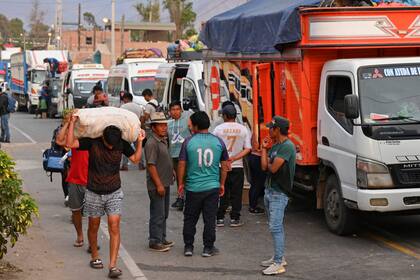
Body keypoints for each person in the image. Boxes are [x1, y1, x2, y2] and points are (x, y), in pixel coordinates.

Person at [66, 118, 145, 279]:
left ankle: (113, 265)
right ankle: (95, 256)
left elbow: (136, 159)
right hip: (94, 191)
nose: (111, 147)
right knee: (93, 226)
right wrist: (72, 123)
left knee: (114, 226)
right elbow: (69, 144)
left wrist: (139, 142)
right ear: (102, 138)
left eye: (113, 146)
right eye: (108, 144)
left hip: (114, 191)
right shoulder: (92, 142)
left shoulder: (121, 143)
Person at [178, 111, 228, 257]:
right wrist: (222, 183)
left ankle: (188, 247)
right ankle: (208, 248)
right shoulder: (218, 141)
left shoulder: (188, 142)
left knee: (190, 218)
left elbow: (182, 164)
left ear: (195, 125)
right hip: (212, 187)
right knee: (210, 219)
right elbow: (224, 165)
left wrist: (181, 183)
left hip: (193, 187)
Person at [260, 116, 296, 276]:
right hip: (270, 190)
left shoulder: (287, 147)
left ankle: (278, 262)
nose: (268, 130)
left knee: (275, 227)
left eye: (271, 128)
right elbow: (264, 166)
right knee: (275, 226)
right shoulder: (276, 147)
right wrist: (263, 149)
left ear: (277, 130)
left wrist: (268, 162)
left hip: (279, 192)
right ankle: (278, 256)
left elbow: (273, 168)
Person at [55, 114, 89, 248]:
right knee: (76, 211)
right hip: (75, 179)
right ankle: (80, 236)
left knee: (93, 214)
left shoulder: (93, 139)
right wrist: (69, 123)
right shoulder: (74, 139)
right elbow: (59, 140)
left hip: (92, 181)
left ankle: (93, 240)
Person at [214, 104, 251, 227]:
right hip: (237, 165)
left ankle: (219, 217)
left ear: (224, 115)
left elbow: (213, 146)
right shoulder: (243, 129)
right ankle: (235, 218)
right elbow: (247, 149)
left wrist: (223, 159)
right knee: (236, 193)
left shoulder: (218, 129)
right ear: (236, 115)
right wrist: (234, 157)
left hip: (222, 166)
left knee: (222, 190)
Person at [145, 112, 174, 252]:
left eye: (165, 125)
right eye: (161, 125)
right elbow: (151, 165)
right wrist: (158, 184)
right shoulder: (151, 143)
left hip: (165, 182)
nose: (164, 127)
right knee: (158, 213)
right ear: (153, 127)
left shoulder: (163, 140)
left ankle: (161, 237)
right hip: (157, 184)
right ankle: (155, 240)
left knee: (164, 213)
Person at [168, 100, 191, 211]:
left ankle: (188, 199)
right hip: (173, 155)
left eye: (177, 109)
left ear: (181, 110)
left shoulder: (187, 122)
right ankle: (180, 198)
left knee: (187, 177)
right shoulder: (168, 124)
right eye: (173, 109)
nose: (175, 112)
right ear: (170, 111)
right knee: (179, 178)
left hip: (186, 154)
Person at [119, 91, 143, 171]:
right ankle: (141, 164)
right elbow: (142, 118)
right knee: (138, 147)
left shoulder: (123, 107)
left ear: (125, 98)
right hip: (137, 129)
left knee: (126, 147)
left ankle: (125, 165)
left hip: (126, 130)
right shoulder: (138, 107)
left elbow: (121, 119)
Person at [247, 133, 267, 215]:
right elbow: (256, 145)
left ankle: (252, 205)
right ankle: (253, 206)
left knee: (255, 183)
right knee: (257, 183)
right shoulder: (258, 131)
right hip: (258, 157)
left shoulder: (256, 131)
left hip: (253, 156)